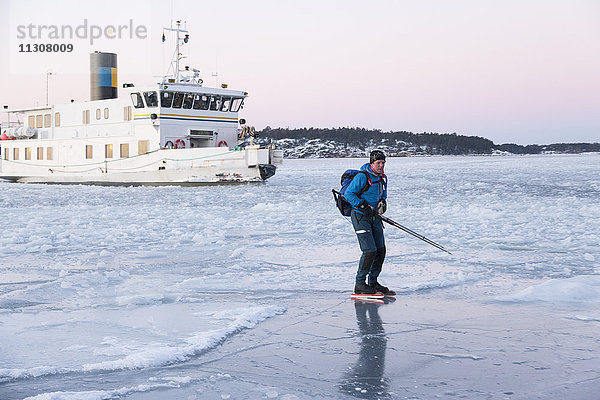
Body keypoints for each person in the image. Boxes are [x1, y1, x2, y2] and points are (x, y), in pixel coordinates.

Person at [344, 150, 394, 295]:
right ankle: (360, 284)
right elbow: (348, 194)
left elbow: (383, 195)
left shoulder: (382, 178)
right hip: (360, 216)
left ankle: (373, 282)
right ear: (372, 163)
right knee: (369, 250)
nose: (381, 166)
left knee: (380, 249)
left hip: (374, 217)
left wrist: (382, 203)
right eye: (378, 163)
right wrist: (362, 206)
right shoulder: (362, 176)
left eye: (383, 163)